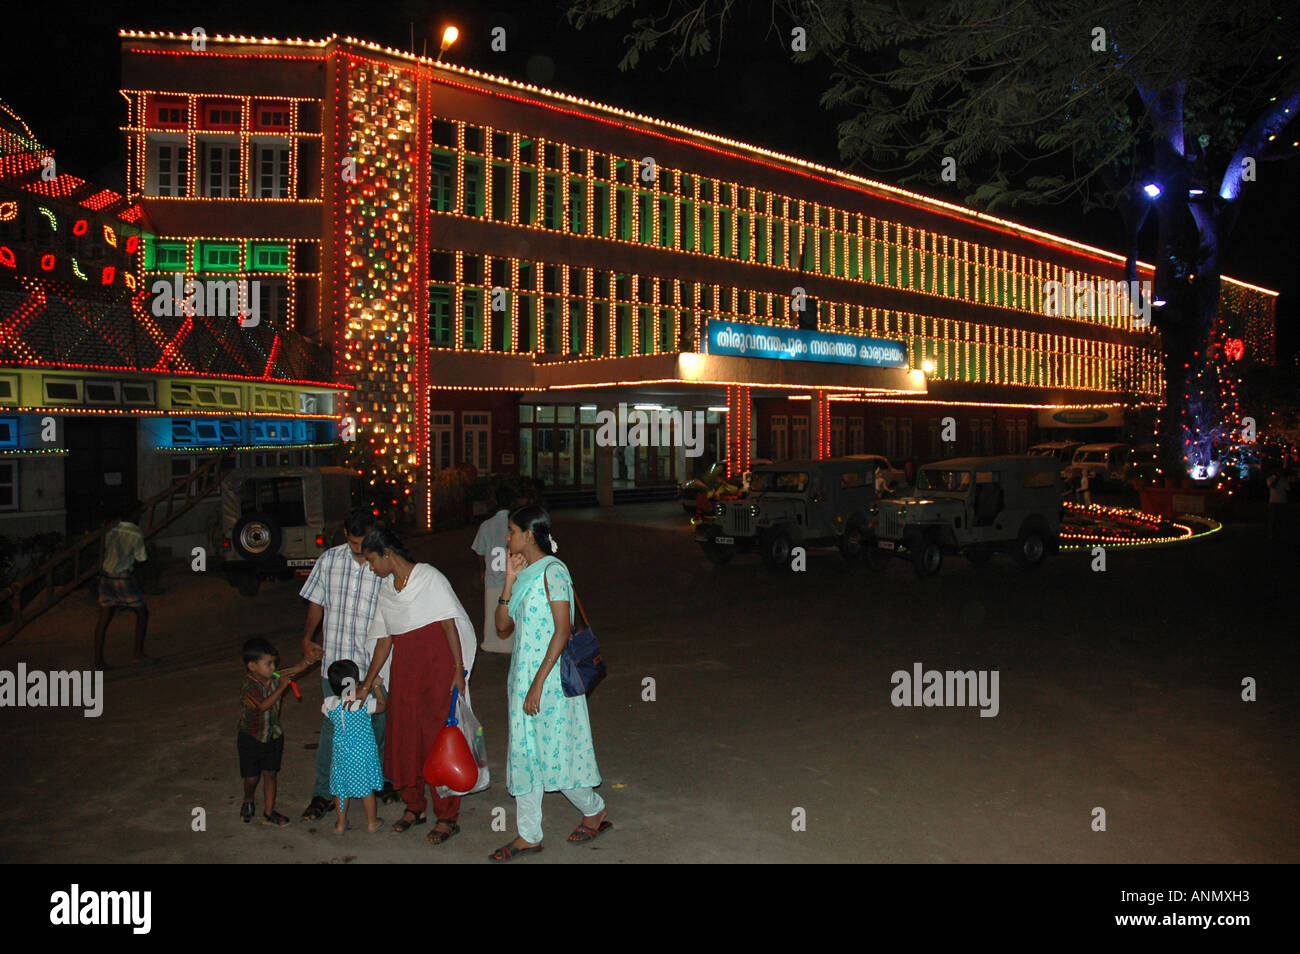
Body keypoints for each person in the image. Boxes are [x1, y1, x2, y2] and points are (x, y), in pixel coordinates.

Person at [489, 505, 609, 862]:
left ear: (528, 534)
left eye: (511, 531)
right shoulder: (525, 573)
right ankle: (528, 835)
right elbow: (501, 625)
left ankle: (595, 809)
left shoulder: (555, 572)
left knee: (557, 752)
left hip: (551, 682)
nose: (507, 538)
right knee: (524, 754)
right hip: (522, 680)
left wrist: (539, 683)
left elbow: (562, 630)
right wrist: (509, 580)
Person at [356, 526, 478, 846]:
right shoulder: (387, 590)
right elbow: (384, 641)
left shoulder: (429, 578)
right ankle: (414, 806)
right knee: (407, 735)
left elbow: (449, 622)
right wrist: (368, 682)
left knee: (437, 739)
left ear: (387, 554)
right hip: (407, 672)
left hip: (437, 668)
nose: (371, 568)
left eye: (371, 560)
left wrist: (458, 670)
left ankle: (447, 816)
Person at [298, 509, 396, 823]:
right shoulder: (328, 561)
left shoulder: (384, 564)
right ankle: (323, 794)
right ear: (344, 534)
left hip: (371, 665)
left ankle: (376, 783)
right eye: (353, 544)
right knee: (333, 731)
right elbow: (317, 602)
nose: (359, 551)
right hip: (337, 666)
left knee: (376, 727)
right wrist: (308, 637)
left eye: (363, 543)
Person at [239, 638, 315, 826]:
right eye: (268, 664)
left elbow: (297, 669)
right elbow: (263, 706)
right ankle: (248, 799)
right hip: (252, 738)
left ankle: (269, 812)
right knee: (251, 777)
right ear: (252, 666)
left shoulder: (274, 676)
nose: (273, 668)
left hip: (273, 735)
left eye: (274, 663)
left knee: (271, 773)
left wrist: (310, 659)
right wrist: (282, 687)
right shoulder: (249, 688)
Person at [322, 660, 389, 835]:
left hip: (341, 754)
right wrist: (374, 688)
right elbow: (382, 706)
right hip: (362, 754)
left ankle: (341, 824)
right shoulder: (363, 703)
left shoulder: (330, 704)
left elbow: (329, 711)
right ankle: (372, 822)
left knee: (340, 789)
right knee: (366, 789)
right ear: (356, 682)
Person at [93, 499, 150, 670]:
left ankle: (98, 660)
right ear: (134, 514)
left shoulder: (111, 528)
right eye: (140, 513)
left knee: (104, 618)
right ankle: (137, 655)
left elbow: (103, 548)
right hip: (123, 577)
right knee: (142, 613)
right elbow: (142, 558)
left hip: (106, 576)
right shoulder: (135, 532)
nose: (141, 516)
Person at [471, 484, 518, 654]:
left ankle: (491, 643)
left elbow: (479, 551)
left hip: (493, 576)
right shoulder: (516, 525)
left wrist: (482, 570)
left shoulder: (486, 525)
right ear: (512, 502)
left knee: (492, 613)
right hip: (512, 577)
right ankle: (511, 644)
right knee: (512, 611)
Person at [1267, 468, 1291, 541]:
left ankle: (1280, 534)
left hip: (1282, 501)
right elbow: (1272, 485)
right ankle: (1272, 534)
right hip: (1274, 501)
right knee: (1273, 519)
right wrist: (1277, 478)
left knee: (1281, 519)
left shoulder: (1284, 480)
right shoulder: (1270, 478)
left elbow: (1288, 489)